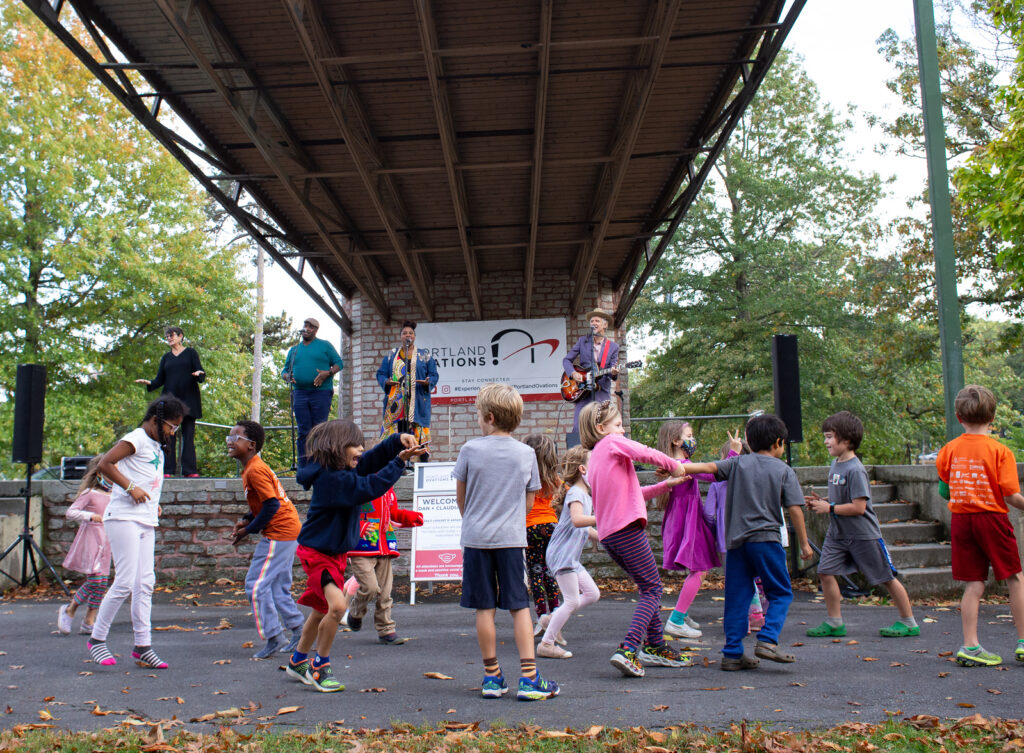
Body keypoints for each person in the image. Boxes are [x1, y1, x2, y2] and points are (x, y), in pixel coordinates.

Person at [284, 420, 424, 692]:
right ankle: (320, 666)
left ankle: (298, 660)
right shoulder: (332, 479)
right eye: (355, 445)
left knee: (321, 609)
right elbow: (369, 487)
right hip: (317, 552)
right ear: (336, 448)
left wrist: (396, 442)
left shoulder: (339, 470)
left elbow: (369, 462)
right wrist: (398, 464)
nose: (361, 449)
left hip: (334, 552)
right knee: (337, 607)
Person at [680, 414, 813, 671]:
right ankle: (767, 639)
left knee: (737, 598)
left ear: (749, 443)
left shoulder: (738, 463)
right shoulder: (784, 470)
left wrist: (680, 467)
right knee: (781, 593)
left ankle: (732, 653)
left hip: (737, 543)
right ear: (778, 443)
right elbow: (795, 509)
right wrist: (805, 544)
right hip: (766, 541)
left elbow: (708, 467)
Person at [454, 383, 559, 701]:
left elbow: (462, 499)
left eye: (477, 415)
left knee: (484, 608)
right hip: (512, 540)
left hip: (476, 540)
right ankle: (528, 678)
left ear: (488, 416)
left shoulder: (469, 450)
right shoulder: (527, 454)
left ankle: (491, 677)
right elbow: (529, 503)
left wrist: (474, 521)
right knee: (518, 606)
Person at [578, 400, 690, 677]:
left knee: (646, 587)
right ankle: (628, 649)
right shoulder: (611, 444)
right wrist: (674, 465)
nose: (623, 429)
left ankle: (655, 645)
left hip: (610, 535)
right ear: (601, 428)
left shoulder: (596, 460)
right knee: (653, 589)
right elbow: (645, 451)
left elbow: (633, 493)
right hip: (626, 530)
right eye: (618, 425)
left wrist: (666, 484)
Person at [88, 397, 186, 669]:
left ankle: (142, 646)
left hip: (144, 520)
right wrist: (131, 488)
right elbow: (105, 464)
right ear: (156, 419)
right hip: (123, 517)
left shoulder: (155, 445)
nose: (172, 432)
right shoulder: (136, 438)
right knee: (125, 582)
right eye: (171, 426)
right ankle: (97, 640)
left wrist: (155, 504)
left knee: (145, 584)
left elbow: (148, 481)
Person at [805, 411, 918, 639]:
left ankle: (909, 622)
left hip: (862, 535)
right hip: (838, 534)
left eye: (829, 437)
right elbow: (841, 498)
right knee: (825, 572)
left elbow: (858, 507)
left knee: (885, 577)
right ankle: (834, 622)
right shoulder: (835, 465)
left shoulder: (856, 470)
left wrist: (831, 509)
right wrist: (823, 502)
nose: (825, 441)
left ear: (846, 440)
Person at [935, 385, 1024, 667]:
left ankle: (970, 645)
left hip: (962, 521)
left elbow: (944, 490)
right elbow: (1010, 496)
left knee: (974, 583)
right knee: (1015, 578)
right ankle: (1023, 641)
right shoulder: (1000, 451)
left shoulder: (949, 450)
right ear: (993, 417)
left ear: (959, 417)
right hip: (992, 519)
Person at [227, 420, 305, 659]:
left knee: (256, 585)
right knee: (277, 586)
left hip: (279, 533)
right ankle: (299, 631)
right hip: (288, 530)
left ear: (251, 445)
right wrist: (246, 518)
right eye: (228, 437)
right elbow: (264, 503)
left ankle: (273, 636)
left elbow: (272, 505)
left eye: (236, 438)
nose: (229, 441)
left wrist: (248, 529)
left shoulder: (255, 469)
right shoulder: (252, 466)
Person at [657, 421, 736, 640]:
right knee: (700, 569)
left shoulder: (673, 463)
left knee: (697, 568)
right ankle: (677, 619)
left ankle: (683, 611)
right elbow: (714, 474)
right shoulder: (681, 463)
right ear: (676, 440)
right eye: (689, 435)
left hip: (682, 518)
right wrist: (733, 453)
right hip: (689, 521)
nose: (693, 439)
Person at [537, 446, 600, 659]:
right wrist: (604, 518)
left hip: (568, 556)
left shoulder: (586, 495)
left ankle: (550, 619)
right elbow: (577, 520)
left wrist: (604, 535)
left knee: (593, 594)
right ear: (583, 469)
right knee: (572, 601)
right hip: (562, 554)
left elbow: (584, 527)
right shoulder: (576, 493)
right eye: (596, 465)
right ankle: (546, 644)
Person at [344, 486, 424, 644]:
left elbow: (392, 513)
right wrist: (359, 528)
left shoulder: (387, 486)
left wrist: (411, 517)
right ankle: (355, 612)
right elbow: (343, 512)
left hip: (385, 546)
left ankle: (386, 630)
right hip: (361, 546)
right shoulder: (356, 481)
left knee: (385, 593)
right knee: (370, 587)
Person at [134, 326, 205, 477]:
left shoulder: (191, 353)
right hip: (170, 404)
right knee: (168, 436)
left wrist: (199, 374)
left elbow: (200, 371)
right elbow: (160, 379)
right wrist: (149, 383)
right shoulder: (166, 357)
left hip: (189, 402)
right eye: (167, 337)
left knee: (188, 436)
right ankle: (167, 470)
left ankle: (190, 471)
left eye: (172, 335)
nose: (169, 338)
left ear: (180, 336)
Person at [57, 457, 112, 637]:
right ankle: (70, 609)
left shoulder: (116, 494)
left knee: (102, 582)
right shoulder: (90, 493)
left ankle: (89, 619)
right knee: (95, 579)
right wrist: (90, 516)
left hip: (108, 540)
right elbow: (71, 512)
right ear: (100, 472)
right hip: (92, 538)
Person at [281, 317, 344, 468]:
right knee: (303, 430)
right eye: (306, 325)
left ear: (316, 330)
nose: (307, 329)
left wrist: (327, 373)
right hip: (300, 393)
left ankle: (320, 464)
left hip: (321, 393)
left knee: (319, 429)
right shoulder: (294, 350)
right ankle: (303, 466)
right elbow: (284, 370)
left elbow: (339, 363)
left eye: (311, 327)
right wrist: (287, 376)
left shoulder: (325, 346)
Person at [376, 320, 438, 464]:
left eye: (410, 333)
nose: (407, 335)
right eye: (404, 333)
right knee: (397, 432)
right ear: (400, 336)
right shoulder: (391, 355)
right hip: (396, 401)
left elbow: (434, 374)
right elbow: (380, 373)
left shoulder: (425, 355)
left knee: (420, 431)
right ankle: (398, 465)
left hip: (418, 400)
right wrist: (386, 381)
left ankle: (422, 464)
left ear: (414, 337)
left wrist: (428, 381)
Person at [522, 434, 563, 636]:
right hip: (552, 525)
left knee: (535, 573)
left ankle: (541, 616)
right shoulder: (555, 479)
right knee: (549, 571)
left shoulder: (526, 476)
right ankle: (556, 611)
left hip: (530, 527)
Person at [562, 309, 619, 431]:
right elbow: (566, 360)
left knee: (603, 427)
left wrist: (614, 373)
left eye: (597, 320)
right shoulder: (583, 341)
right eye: (592, 321)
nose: (593, 323)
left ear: (605, 325)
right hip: (583, 391)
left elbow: (612, 372)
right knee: (578, 428)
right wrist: (573, 373)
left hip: (601, 392)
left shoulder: (613, 347)